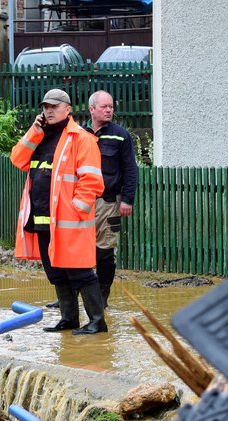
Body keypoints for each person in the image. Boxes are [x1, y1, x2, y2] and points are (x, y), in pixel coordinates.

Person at [11, 89, 106, 335]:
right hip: (44, 221)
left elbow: (92, 181)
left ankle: (97, 321)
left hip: (69, 221)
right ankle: (69, 319)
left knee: (80, 272)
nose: (49, 111)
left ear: (68, 109)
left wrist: (77, 209)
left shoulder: (81, 138)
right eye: (46, 107)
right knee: (56, 273)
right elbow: (17, 159)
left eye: (54, 106)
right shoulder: (40, 136)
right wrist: (34, 131)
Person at [86, 90, 137, 309]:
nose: (109, 110)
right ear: (92, 109)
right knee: (80, 250)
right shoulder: (81, 134)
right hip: (83, 202)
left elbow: (130, 170)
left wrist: (127, 200)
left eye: (111, 106)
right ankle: (73, 296)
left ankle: (101, 298)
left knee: (105, 252)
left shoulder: (120, 135)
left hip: (108, 203)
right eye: (104, 106)